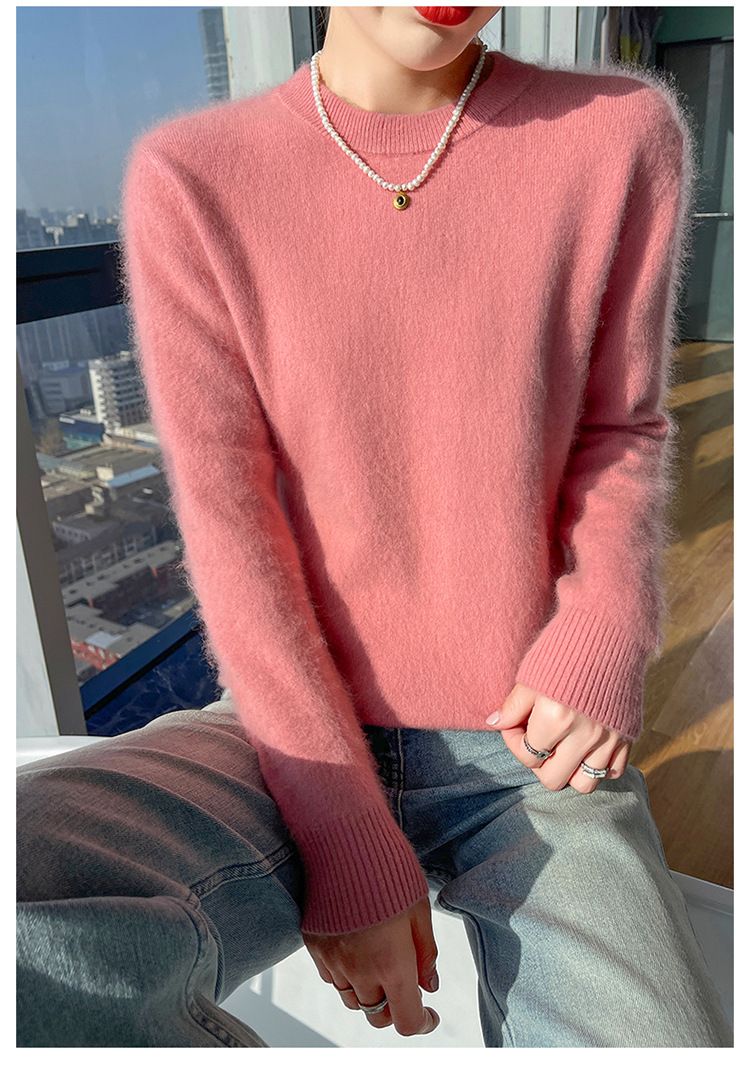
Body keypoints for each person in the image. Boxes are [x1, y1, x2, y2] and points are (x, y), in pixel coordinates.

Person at [17, 5, 733, 1048]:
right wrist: (343, 834)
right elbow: (229, 521)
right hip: (283, 736)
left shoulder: (619, 130)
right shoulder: (192, 174)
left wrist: (604, 625)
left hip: (527, 742)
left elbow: (619, 425)